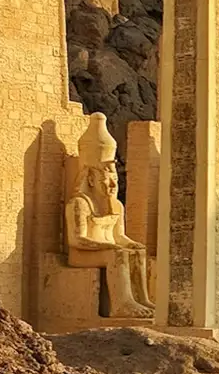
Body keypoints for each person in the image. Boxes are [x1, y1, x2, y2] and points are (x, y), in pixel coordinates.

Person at [63, 114, 153, 319]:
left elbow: (119, 236)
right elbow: (76, 240)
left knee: (137, 251)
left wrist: (130, 244)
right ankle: (122, 304)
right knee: (117, 254)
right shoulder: (80, 203)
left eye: (115, 181)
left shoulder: (117, 206)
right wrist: (110, 246)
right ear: (92, 180)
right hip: (82, 254)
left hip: (106, 250)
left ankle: (141, 299)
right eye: (107, 181)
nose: (113, 186)